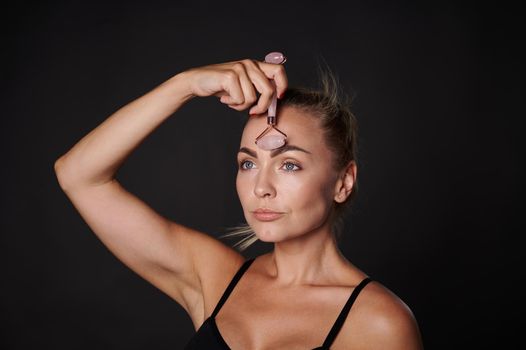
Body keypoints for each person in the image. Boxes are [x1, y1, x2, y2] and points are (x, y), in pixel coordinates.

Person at [54, 55, 424, 349]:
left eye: (289, 164)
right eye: (248, 163)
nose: (261, 186)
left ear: (343, 183)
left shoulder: (378, 322)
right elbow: (78, 175)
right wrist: (185, 85)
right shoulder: (216, 279)